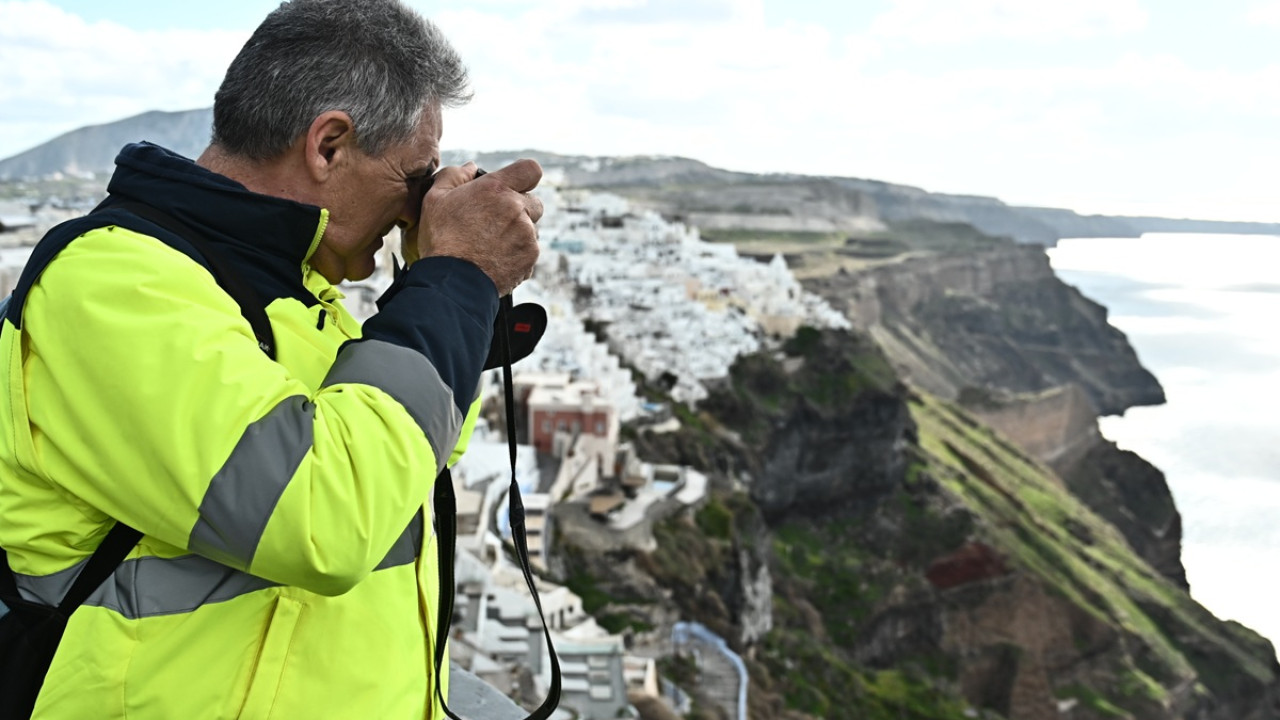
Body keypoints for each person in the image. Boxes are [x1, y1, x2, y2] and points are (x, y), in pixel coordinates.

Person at [0, 0, 541, 717]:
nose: (417, 208)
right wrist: (456, 281)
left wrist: (441, 296)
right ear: (328, 147)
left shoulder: (296, 295)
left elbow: (407, 466)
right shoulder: (112, 285)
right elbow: (326, 519)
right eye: (415, 179)